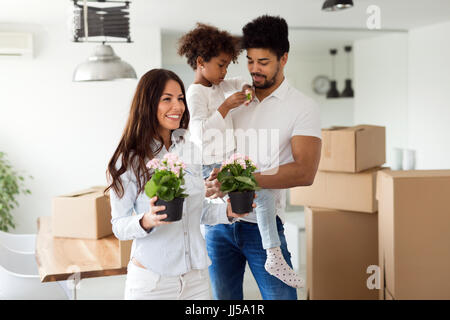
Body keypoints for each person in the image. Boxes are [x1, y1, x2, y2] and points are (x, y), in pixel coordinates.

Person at [105, 68, 254, 300]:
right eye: (167, 99)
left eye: (181, 99)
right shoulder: (129, 160)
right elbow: (119, 226)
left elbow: (198, 211)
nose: (178, 106)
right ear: (148, 104)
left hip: (196, 280)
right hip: (152, 282)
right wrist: (146, 220)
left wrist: (228, 211)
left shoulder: (190, 150)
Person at [204, 15, 322, 300]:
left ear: (284, 58)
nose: (254, 70)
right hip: (219, 224)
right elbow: (206, 139)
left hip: (263, 229)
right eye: (250, 61)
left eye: (264, 62)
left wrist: (238, 181)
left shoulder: (302, 107)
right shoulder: (234, 97)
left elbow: (305, 172)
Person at [178, 23, 303, 289]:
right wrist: (225, 107)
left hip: (227, 159)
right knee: (261, 193)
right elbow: (199, 132)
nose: (225, 72)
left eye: (227, 65)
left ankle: (272, 253)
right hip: (212, 163)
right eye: (221, 65)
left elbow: (242, 82)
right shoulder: (195, 91)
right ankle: (272, 253)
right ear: (201, 62)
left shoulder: (219, 84)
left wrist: (246, 89)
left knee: (265, 192)